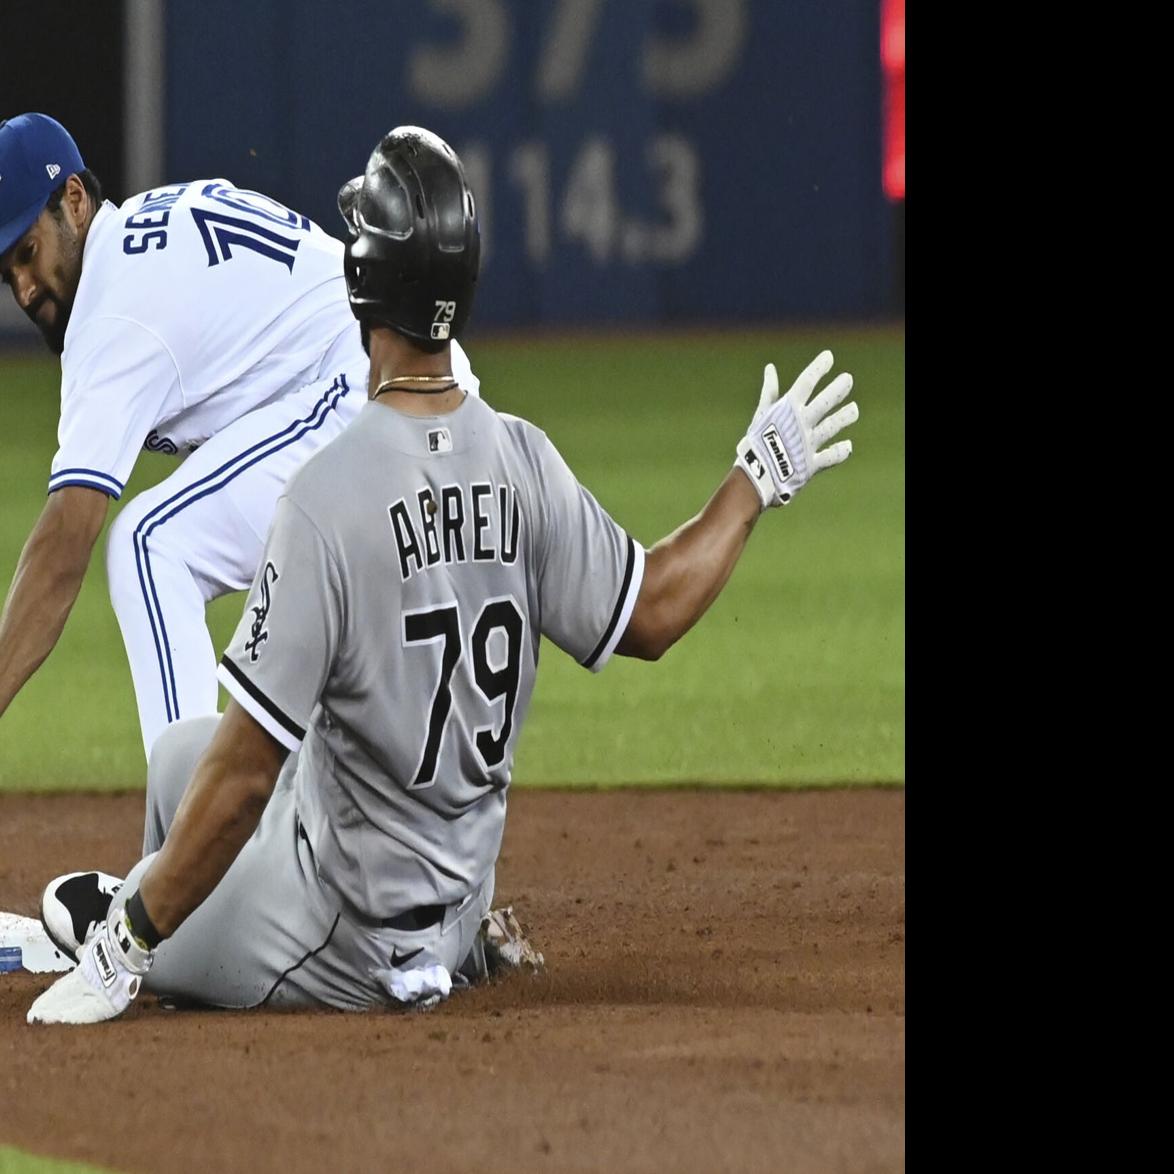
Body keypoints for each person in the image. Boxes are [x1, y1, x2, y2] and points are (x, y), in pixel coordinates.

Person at [26, 126, 858, 1025]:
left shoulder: (324, 497)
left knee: (126, 886)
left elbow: (243, 779)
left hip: (341, 932)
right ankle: (444, 940)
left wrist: (132, 933)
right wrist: (752, 482)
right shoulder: (523, 458)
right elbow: (651, 610)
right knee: (181, 763)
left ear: (360, 285)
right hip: (457, 895)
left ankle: (171, 918)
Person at [0, 113, 479, 758]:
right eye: (7, 274)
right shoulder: (148, 224)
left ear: (76, 200)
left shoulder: (112, 311)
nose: (24, 288)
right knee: (295, 640)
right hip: (410, 373)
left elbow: (63, 548)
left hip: (368, 389)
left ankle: (185, 841)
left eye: (27, 252)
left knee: (151, 545)